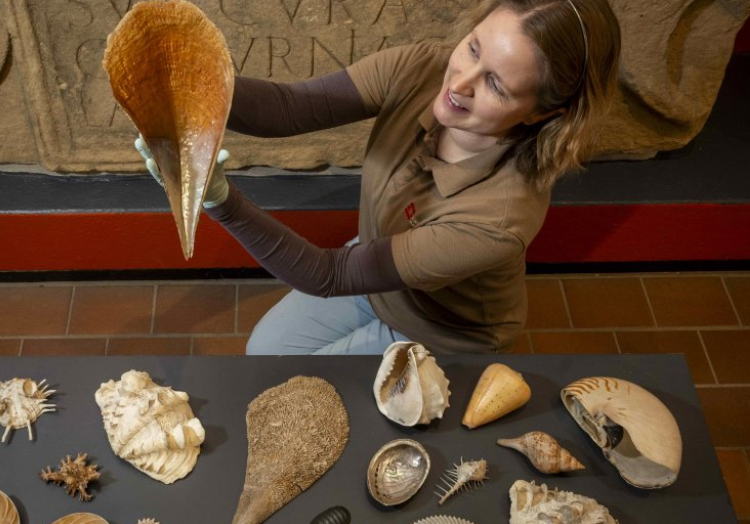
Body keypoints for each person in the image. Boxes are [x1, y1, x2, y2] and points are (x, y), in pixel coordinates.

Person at [137, 0, 621, 355]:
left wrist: (220, 200)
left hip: (438, 329)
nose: (459, 83)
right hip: (376, 266)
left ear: (542, 113)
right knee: (263, 352)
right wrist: (188, 82)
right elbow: (288, 108)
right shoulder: (424, 67)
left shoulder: (499, 221)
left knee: (282, 375)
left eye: (495, 83)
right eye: (472, 48)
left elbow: (329, 274)